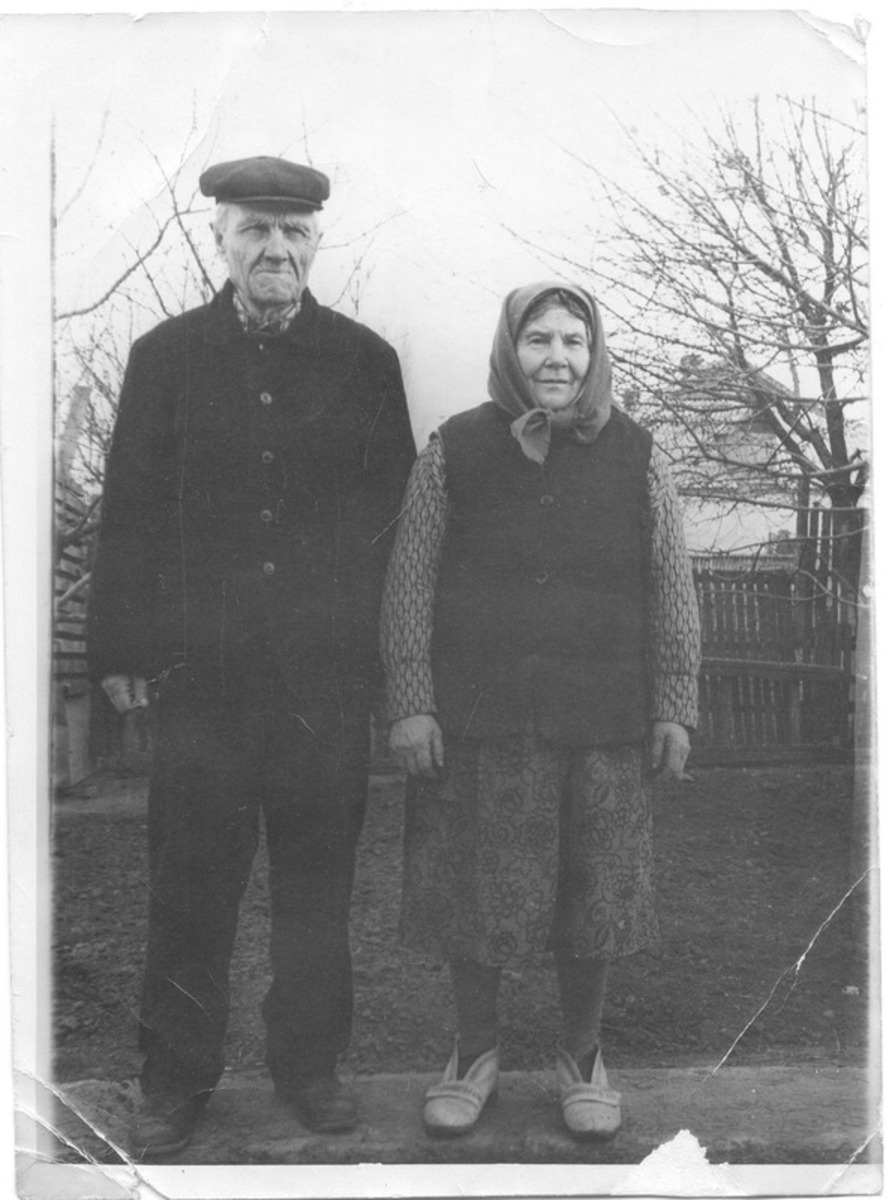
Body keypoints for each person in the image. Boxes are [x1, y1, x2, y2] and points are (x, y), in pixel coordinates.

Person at [87, 155, 416, 1158]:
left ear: (317, 242)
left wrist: (385, 668)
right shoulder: (166, 357)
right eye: (254, 230)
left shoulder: (363, 361)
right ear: (220, 240)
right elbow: (130, 510)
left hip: (323, 686)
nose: (275, 248)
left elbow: (393, 525)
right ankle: (174, 1081)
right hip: (204, 685)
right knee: (190, 889)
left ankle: (309, 1069)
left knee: (317, 892)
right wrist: (121, 644)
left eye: (293, 231)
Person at [381, 281, 700, 1139]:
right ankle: (472, 1053)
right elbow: (409, 581)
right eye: (537, 340)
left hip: (604, 720)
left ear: (593, 354)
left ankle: (581, 1058)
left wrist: (674, 702)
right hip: (482, 719)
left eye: (572, 341)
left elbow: (671, 584)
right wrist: (411, 701)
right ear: (508, 350)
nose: (556, 357)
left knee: (595, 896)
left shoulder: (638, 454)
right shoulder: (453, 449)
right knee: (476, 894)